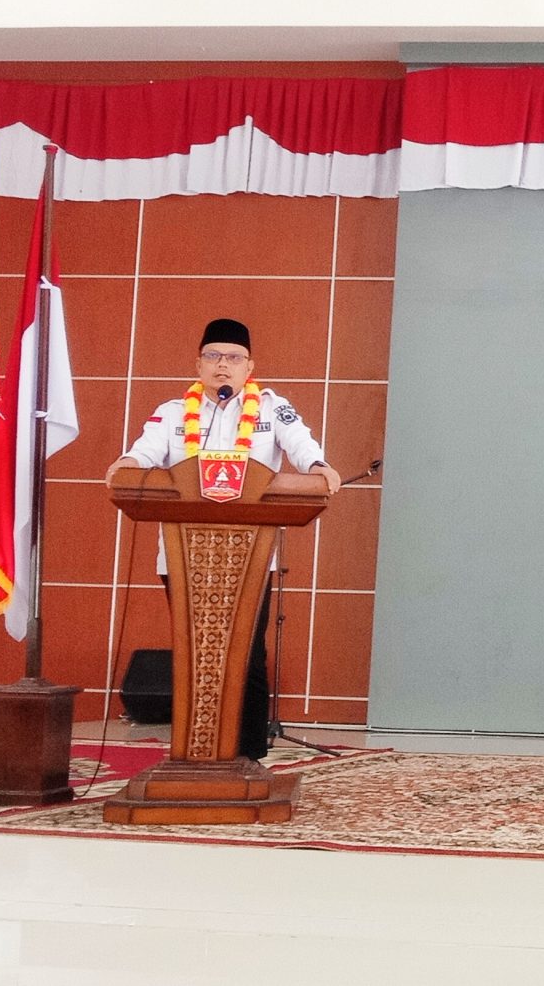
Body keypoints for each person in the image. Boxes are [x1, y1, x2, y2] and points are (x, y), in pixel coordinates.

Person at [107, 318, 337, 761]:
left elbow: (301, 443)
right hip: (184, 557)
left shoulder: (271, 408)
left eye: (233, 357)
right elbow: (144, 451)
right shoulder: (173, 412)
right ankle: (193, 754)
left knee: (246, 653)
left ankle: (247, 756)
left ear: (249, 367)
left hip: (251, 557)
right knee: (196, 652)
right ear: (198, 365)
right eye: (213, 356)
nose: (222, 365)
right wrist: (128, 463)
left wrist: (317, 466)